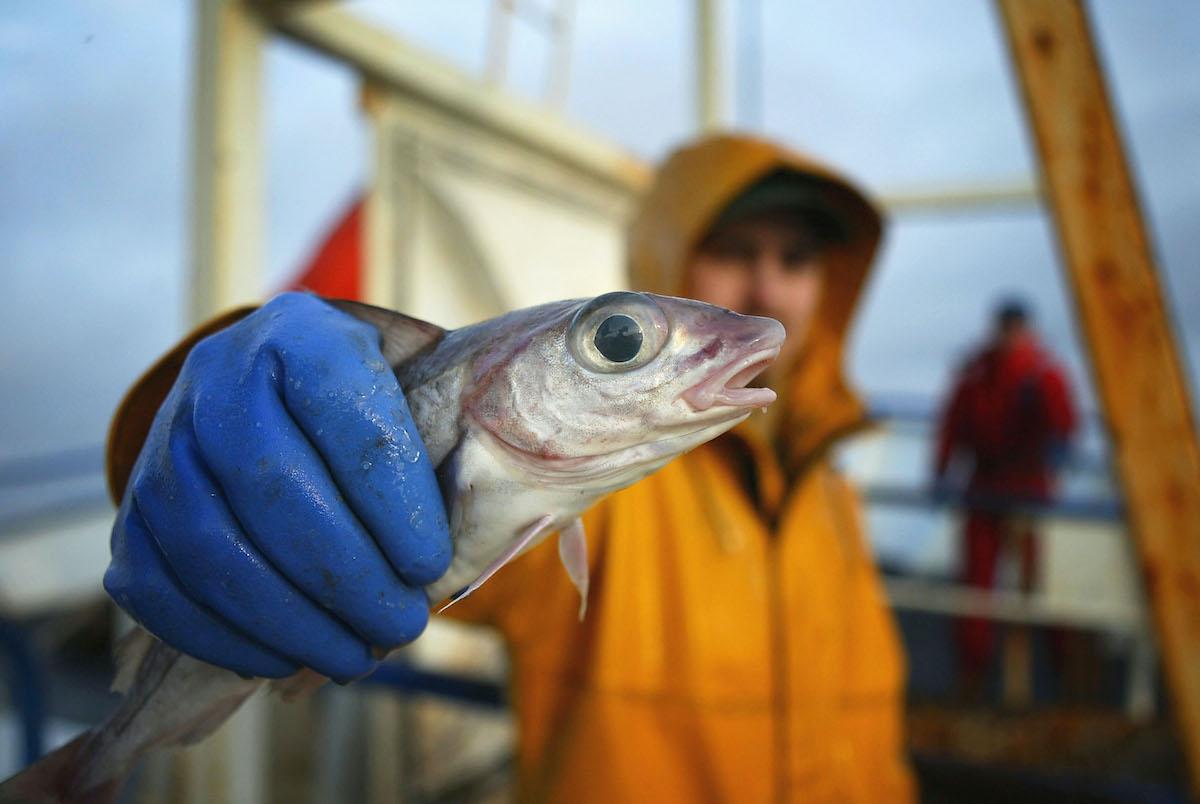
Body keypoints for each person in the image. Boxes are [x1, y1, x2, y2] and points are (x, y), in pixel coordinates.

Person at [105, 134, 913, 802]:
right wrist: (215, 429)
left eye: (797, 259)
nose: (767, 288)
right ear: (669, 257)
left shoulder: (832, 491)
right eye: (732, 251)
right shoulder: (609, 488)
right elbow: (317, 506)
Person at [933, 298, 1077, 692]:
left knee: (1042, 586)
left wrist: (1058, 449)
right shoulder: (977, 374)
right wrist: (942, 470)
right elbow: (953, 424)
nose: (1011, 338)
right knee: (976, 589)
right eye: (1006, 329)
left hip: (1029, 489)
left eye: (1015, 329)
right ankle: (973, 674)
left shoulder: (1042, 374)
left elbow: (1063, 423)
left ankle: (1063, 673)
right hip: (985, 487)